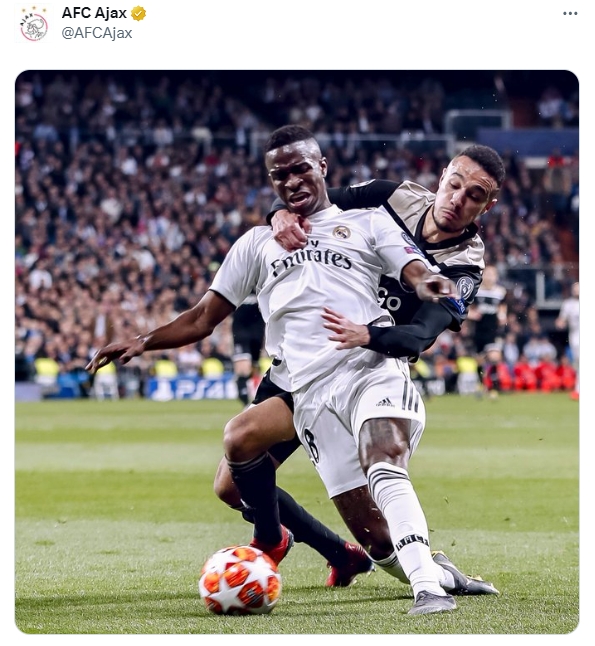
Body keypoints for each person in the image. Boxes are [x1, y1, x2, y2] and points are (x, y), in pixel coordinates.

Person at [87, 124, 462, 615]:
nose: (291, 181)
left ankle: (423, 585)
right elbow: (202, 317)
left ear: (322, 166)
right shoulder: (256, 244)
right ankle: (368, 558)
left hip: (362, 366)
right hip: (300, 386)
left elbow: (417, 272)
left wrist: (435, 285)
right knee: (249, 471)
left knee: (376, 460)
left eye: (301, 168)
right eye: (279, 175)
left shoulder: (367, 223)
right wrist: (143, 340)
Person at [213, 141, 505, 599]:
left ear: (488, 205)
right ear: (442, 178)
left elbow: (418, 337)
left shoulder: (463, 268)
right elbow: (312, 198)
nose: (457, 199)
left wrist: (367, 334)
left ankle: (429, 573)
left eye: (474, 196)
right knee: (232, 486)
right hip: (301, 363)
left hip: (363, 369)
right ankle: (339, 553)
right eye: (454, 185)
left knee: (379, 531)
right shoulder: (392, 196)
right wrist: (278, 214)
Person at [231, 292, 266, 406]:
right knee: (243, 368)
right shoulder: (238, 284)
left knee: (254, 367)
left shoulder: (265, 283)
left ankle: (243, 383)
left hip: (258, 330)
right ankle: (244, 398)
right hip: (240, 330)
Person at [555, 281, 579, 400]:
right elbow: (562, 319)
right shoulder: (568, 304)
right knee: (578, 363)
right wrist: (560, 323)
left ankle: (578, 390)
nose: (577, 290)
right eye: (575, 288)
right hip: (576, 337)